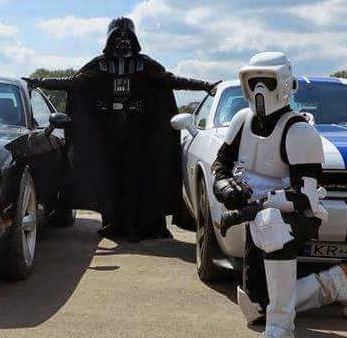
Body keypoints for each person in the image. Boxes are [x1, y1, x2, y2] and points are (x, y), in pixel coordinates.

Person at [211, 52, 347, 338]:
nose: (258, 90)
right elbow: (220, 165)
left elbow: (304, 196)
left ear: (283, 84)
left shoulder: (299, 131)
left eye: (265, 81)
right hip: (254, 212)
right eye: (252, 81)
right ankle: (330, 285)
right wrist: (225, 186)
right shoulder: (242, 121)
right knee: (254, 307)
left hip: (295, 215)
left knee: (271, 223)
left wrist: (252, 208)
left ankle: (281, 330)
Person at [26, 17, 216, 241]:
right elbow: (74, 83)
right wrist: (41, 81)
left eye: (126, 37)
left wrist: (203, 85)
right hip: (107, 132)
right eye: (117, 37)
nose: (122, 42)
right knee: (110, 178)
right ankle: (114, 223)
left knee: (137, 178)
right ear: (110, 39)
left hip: (139, 133)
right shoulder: (100, 65)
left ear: (134, 39)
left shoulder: (144, 65)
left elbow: (171, 81)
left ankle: (138, 225)